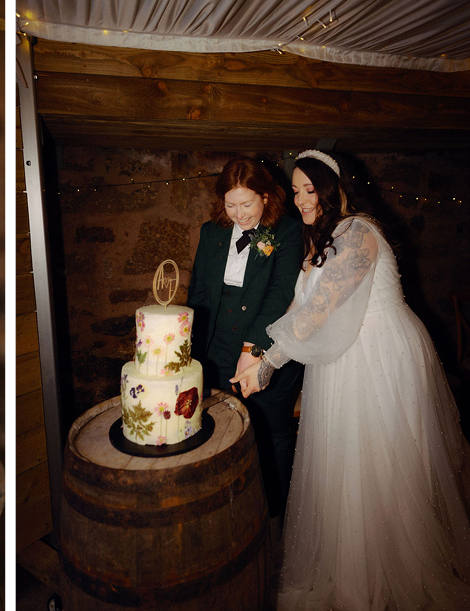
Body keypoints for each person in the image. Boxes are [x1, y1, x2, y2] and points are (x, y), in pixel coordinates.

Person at [231, 150, 470, 609]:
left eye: (310, 188)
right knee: (346, 461)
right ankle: (352, 564)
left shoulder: (359, 232)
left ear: (335, 187)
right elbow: (300, 307)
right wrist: (256, 351)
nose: (302, 199)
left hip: (382, 354)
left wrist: (267, 364)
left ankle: (392, 564)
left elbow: (322, 311)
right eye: (297, 190)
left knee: (385, 460)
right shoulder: (318, 236)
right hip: (342, 356)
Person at [187, 157, 304, 520]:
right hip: (216, 349)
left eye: (247, 204)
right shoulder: (212, 233)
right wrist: (189, 350)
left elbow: (280, 293)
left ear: (266, 197)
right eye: (230, 204)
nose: (239, 214)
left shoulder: (287, 232)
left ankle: (275, 514)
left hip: (268, 350)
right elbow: (199, 296)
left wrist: (253, 349)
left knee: (271, 432)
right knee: (222, 430)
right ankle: (232, 512)